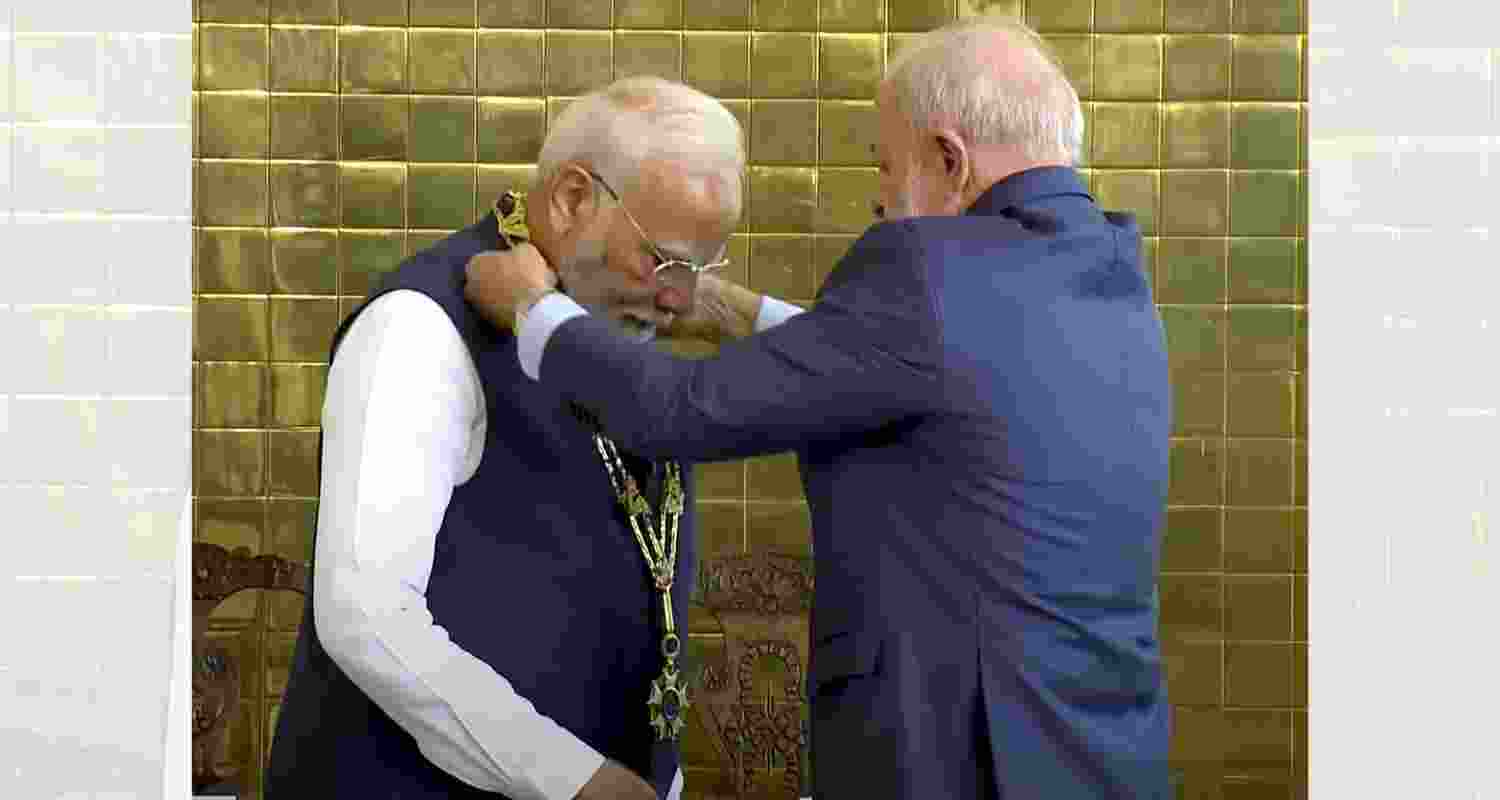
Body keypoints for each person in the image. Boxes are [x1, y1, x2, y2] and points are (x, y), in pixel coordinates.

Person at [462, 13, 1173, 800]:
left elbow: (680, 411)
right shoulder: (1110, 271)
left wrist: (534, 311)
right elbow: (948, 376)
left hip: (955, 764)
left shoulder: (929, 272)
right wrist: (735, 312)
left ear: (949, 160)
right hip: (1102, 759)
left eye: (887, 168)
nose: (880, 197)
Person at [264, 76, 752, 800]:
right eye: (661, 259)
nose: (680, 298)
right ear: (573, 197)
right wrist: (576, 780)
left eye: (699, 268)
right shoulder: (419, 326)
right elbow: (366, 614)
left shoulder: (611, 324)